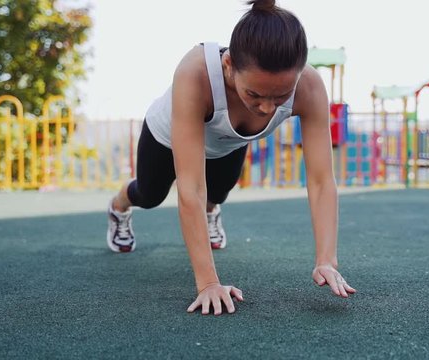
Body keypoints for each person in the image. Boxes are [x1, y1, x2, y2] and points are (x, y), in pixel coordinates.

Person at [106, 0, 356, 315]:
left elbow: (321, 181)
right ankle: (118, 207)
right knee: (150, 194)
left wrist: (326, 260)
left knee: (219, 192)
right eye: (254, 94)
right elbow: (190, 187)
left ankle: (213, 211)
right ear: (228, 65)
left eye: (280, 97)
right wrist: (208, 283)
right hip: (167, 138)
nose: (267, 108)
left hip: (228, 143)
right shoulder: (195, 73)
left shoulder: (309, 87)